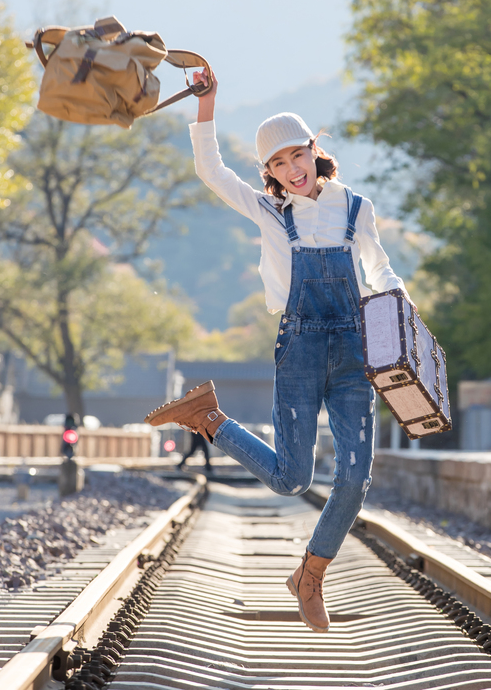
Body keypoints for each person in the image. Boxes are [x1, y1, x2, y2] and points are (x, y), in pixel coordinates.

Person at [145, 70, 413, 633]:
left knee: (355, 477)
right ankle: (207, 417)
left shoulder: (357, 209)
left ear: (317, 151)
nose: (294, 169)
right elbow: (209, 171)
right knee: (292, 478)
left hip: (352, 352)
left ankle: (310, 576)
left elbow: (380, 266)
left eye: (300, 155)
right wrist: (208, 104)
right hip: (299, 349)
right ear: (267, 172)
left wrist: (395, 299)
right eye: (280, 163)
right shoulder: (271, 213)